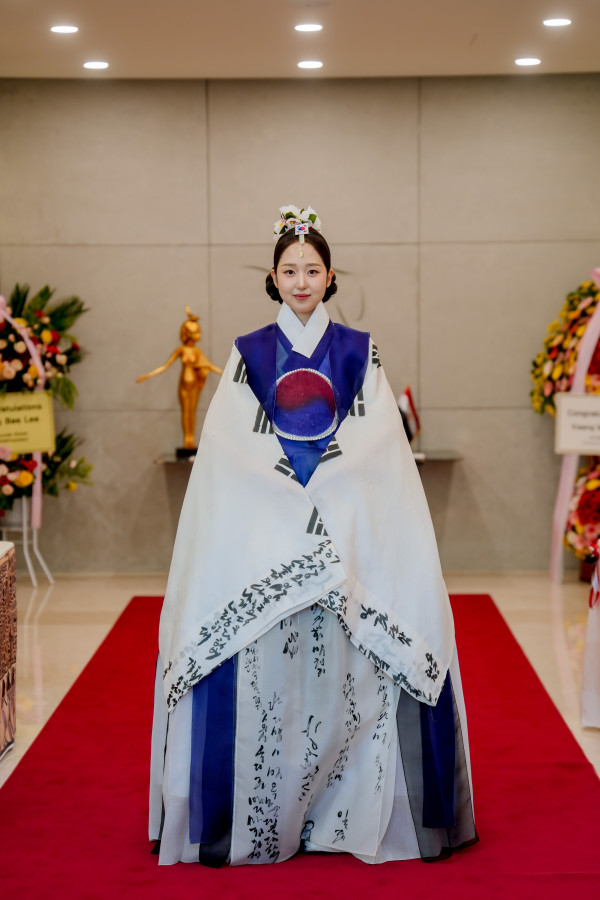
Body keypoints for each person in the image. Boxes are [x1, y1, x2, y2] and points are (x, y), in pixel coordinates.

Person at [149, 206, 477, 867]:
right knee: (272, 687)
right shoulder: (247, 355)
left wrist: (328, 483)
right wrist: (284, 487)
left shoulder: (360, 351)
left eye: (312, 270)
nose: (301, 281)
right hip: (267, 532)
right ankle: (272, 816)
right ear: (273, 278)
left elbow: (377, 437)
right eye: (290, 270)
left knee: (351, 684)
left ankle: (346, 811)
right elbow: (229, 445)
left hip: (345, 523)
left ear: (330, 277)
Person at [136, 306, 222, 452]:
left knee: (192, 411)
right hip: (184, 384)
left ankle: (191, 439)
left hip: (194, 385)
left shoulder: (197, 351)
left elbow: (209, 365)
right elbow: (165, 366)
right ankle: (186, 438)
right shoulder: (181, 350)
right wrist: (148, 375)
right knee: (185, 411)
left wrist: (226, 374)